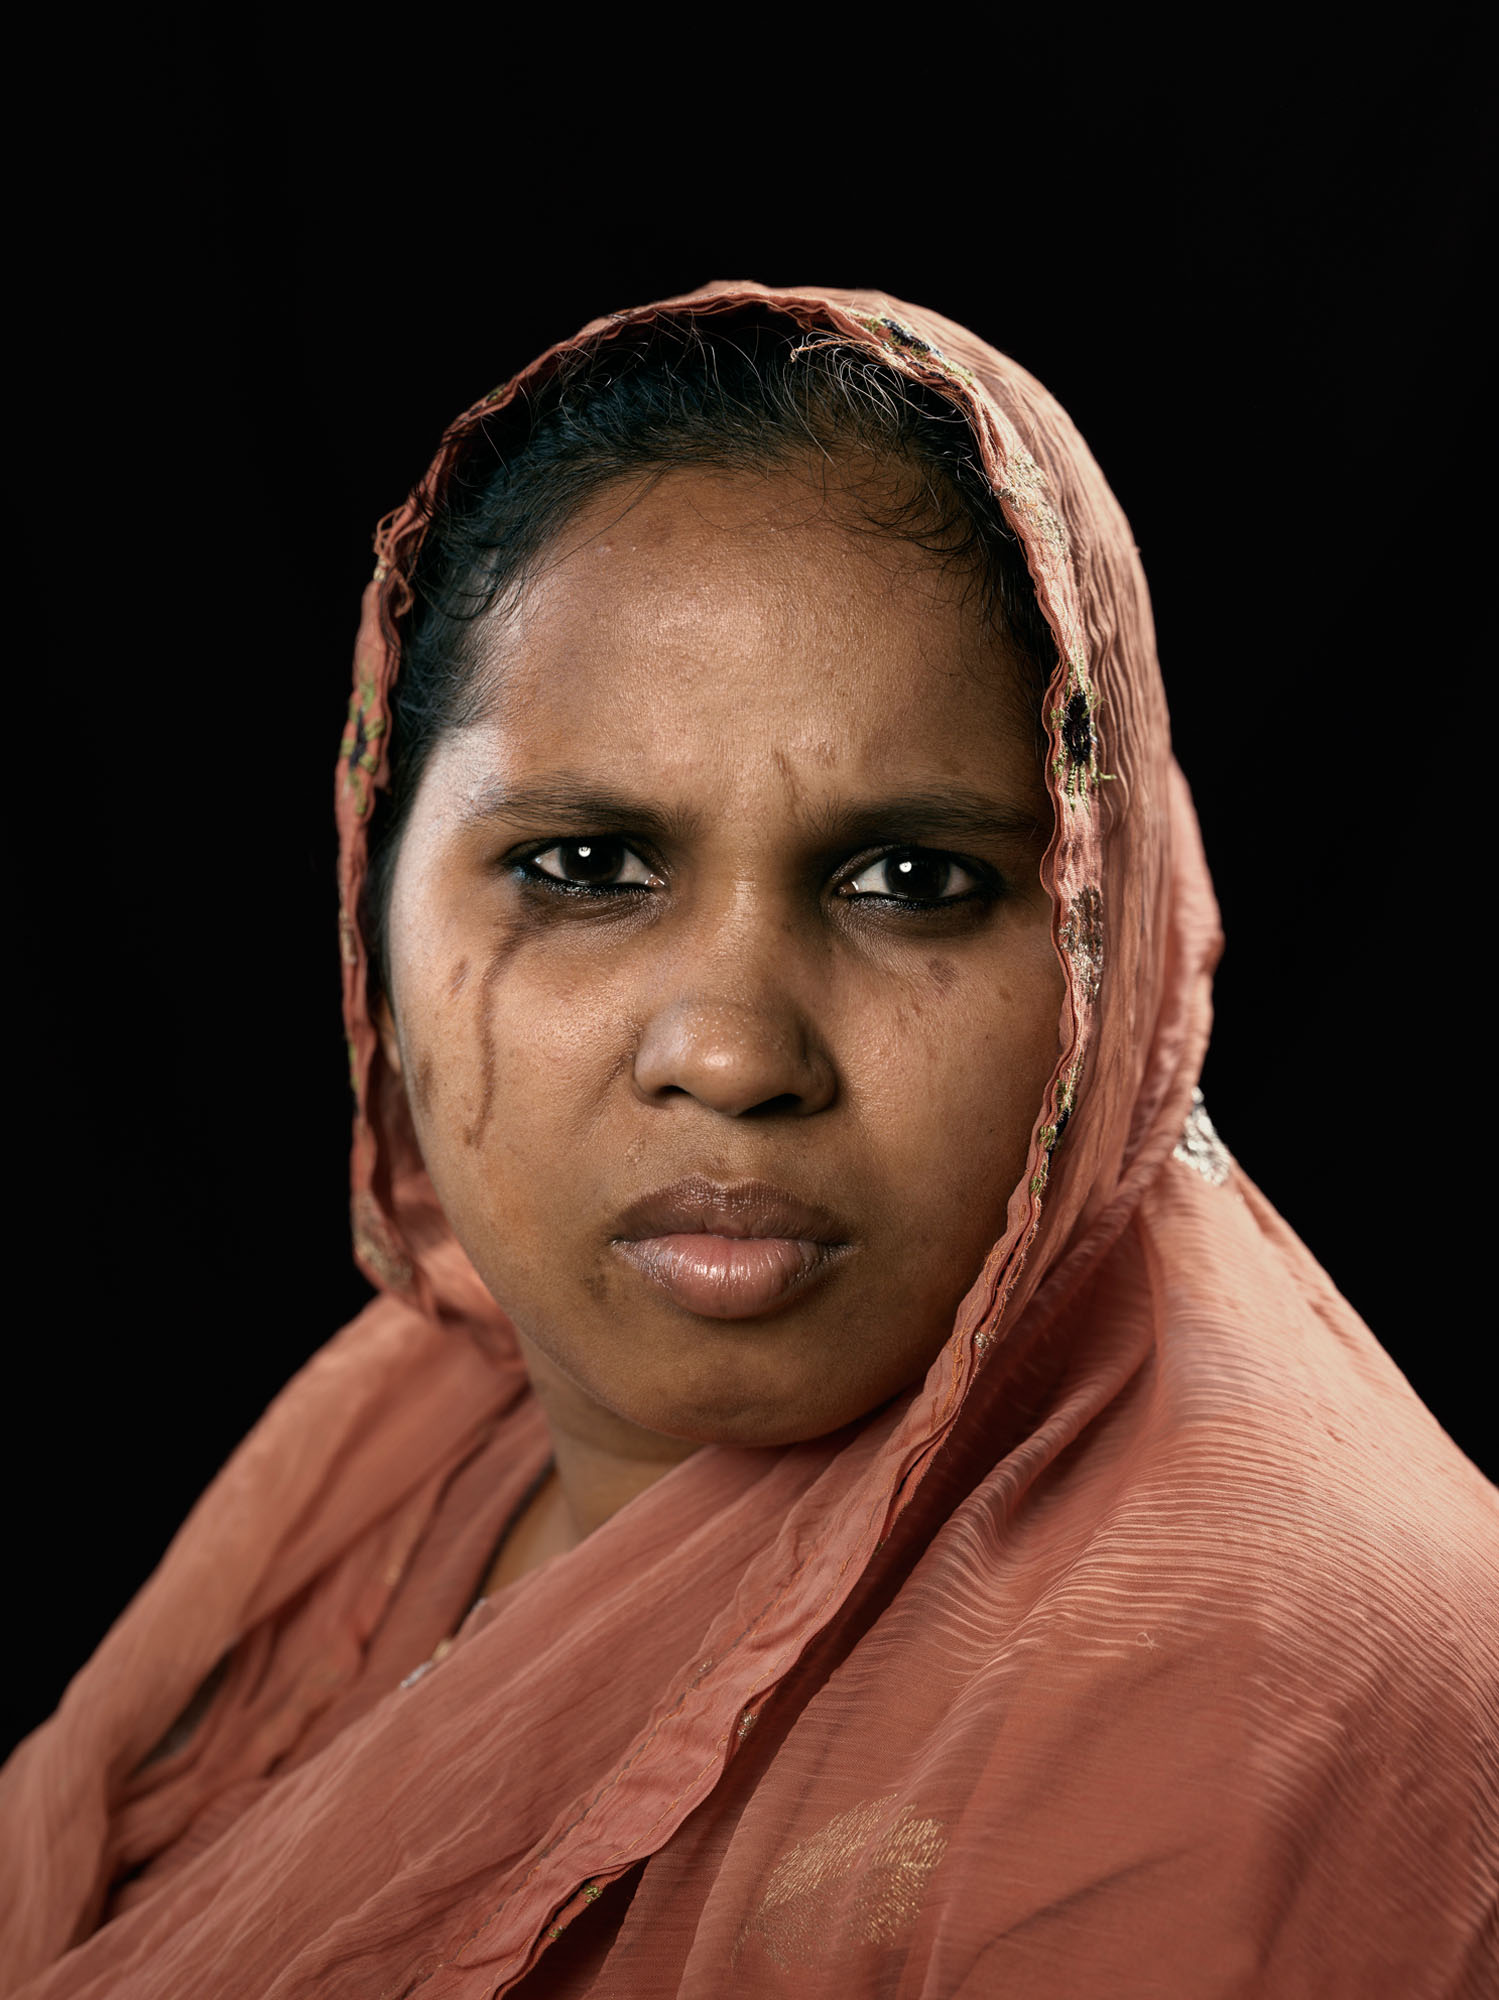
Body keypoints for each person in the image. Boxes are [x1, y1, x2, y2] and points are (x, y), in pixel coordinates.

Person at [2, 282, 1494, 1999]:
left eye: (910, 880)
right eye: (586, 866)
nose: (729, 1054)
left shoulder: (1267, 1718)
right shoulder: (412, 1445)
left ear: (1115, 936)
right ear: (373, 902)